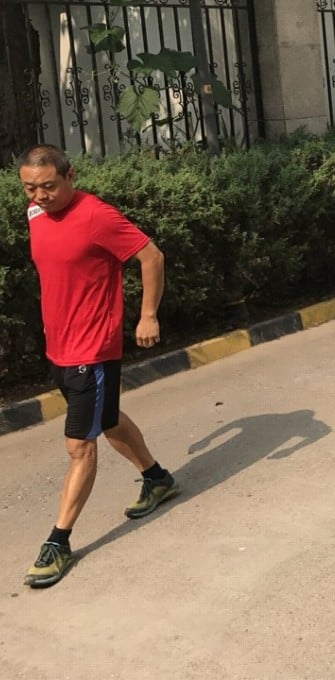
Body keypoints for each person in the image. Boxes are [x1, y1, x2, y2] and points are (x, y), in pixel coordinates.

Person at [17, 144, 179, 588]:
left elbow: (152, 256)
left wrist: (148, 314)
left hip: (92, 349)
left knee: (79, 446)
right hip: (59, 347)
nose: (40, 196)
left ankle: (58, 541)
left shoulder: (96, 215)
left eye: (49, 186)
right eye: (30, 188)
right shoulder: (34, 214)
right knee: (106, 421)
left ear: (70, 175)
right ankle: (157, 478)